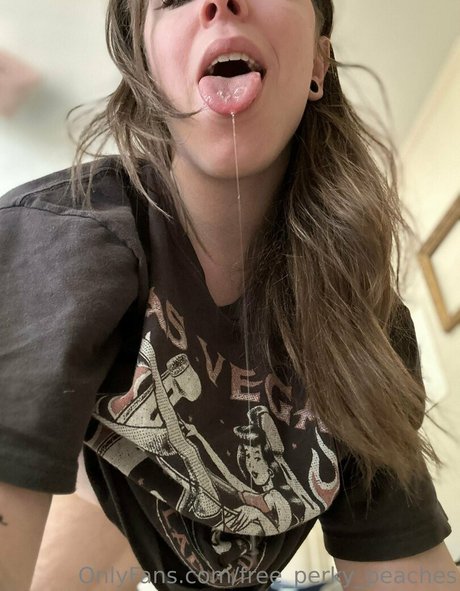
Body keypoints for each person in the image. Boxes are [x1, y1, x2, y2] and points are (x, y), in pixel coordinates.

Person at [0, 0, 458, 590]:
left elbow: (403, 565)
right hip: (104, 511)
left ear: (318, 63)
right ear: (147, 71)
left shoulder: (372, 329)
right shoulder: (54, 240)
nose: (218, 1)